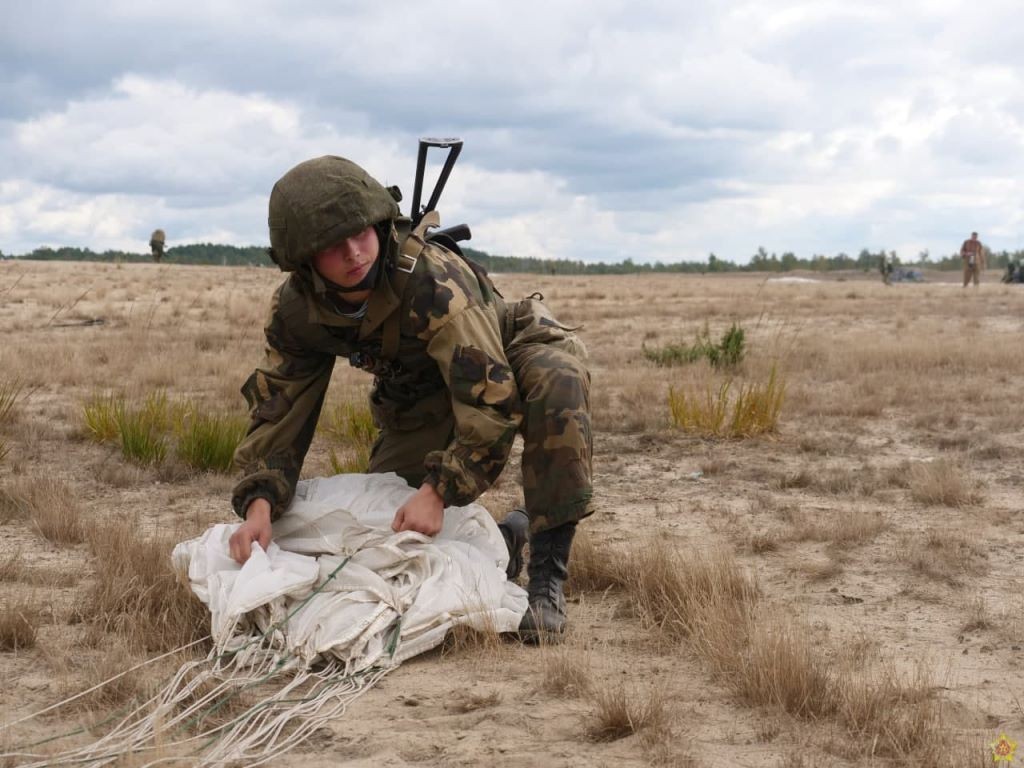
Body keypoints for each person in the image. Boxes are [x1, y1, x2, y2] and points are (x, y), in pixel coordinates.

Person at [226, 156, 593, 642]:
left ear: (379, 223)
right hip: (422, 386)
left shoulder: (432, 282)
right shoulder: (298, 311)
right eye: (332, 245)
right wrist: (259, 502)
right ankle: (506, 542)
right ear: (304, 260)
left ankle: (546, 577)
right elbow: (280, 407)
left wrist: (440, 490)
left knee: (557, 387)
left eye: (361, 233)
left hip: (509, 351)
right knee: (393, 523)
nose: (354, 252)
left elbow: (491, 398)